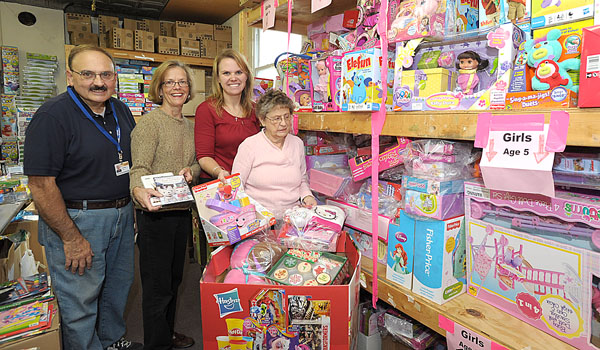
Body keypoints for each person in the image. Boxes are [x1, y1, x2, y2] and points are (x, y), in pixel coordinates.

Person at [23, 45, 141, 350]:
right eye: (87, 74)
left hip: (122, 215)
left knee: (117, 290)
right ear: (71, 76)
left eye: (105, 74)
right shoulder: (52, 116)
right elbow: (41, 184)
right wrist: (71, 238)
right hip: (78, 220)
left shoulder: (121, 110)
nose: (98, 82)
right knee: (80, 299)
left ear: (115, 78)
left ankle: (112, 341)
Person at [129, 60, 200, 350]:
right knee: (157, 289)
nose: (177, 87)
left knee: (174, 281)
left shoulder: (189, 125)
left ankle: (167, 334)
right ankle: (156, 344)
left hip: (181, 213)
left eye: (182, 82)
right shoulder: (149, 124)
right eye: (170, 82)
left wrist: (190, 172)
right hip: (155, 217)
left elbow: (195, 164)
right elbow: (139, 168)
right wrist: (139, 192)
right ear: (159, 88)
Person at [232, 89, 317, 221]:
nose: (283, 123)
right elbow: (235, 186)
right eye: (277, 118)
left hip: (292, 217)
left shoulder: (297, 143)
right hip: (257, 219)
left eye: (287, 116)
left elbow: (302, 179)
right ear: (262, 120)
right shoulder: (249, 146)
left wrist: (307, 196)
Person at [195, 49, 260, 183]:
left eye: (238, 72)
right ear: (218, 78)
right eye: (226, 73)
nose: (233, 78)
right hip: (218, 182)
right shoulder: (206, 110)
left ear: (246, 76)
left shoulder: (256, 110)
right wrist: (219, 171)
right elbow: (204, 156)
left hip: (249, 183)